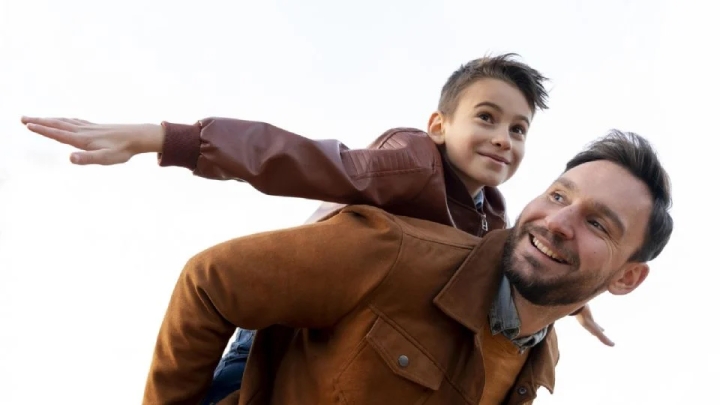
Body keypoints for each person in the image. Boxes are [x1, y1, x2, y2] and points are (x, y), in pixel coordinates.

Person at [22, 54, 610, 402]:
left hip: (366, 339)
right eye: (486, 118)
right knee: (237, 389)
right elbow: (301, 158)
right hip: (286, 318)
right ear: (437, 125)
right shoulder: (411, 161)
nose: (503, 139)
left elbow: (517, 267)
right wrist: (165, 138)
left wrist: (573, 301)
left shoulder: (495, 217)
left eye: (519, 129)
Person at [141, 130, 673, 405]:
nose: (558, 221)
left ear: (627, 277)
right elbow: (210, 281)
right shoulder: (396, 251)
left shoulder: (536, 370)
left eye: (599, 224)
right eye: (559, 194)